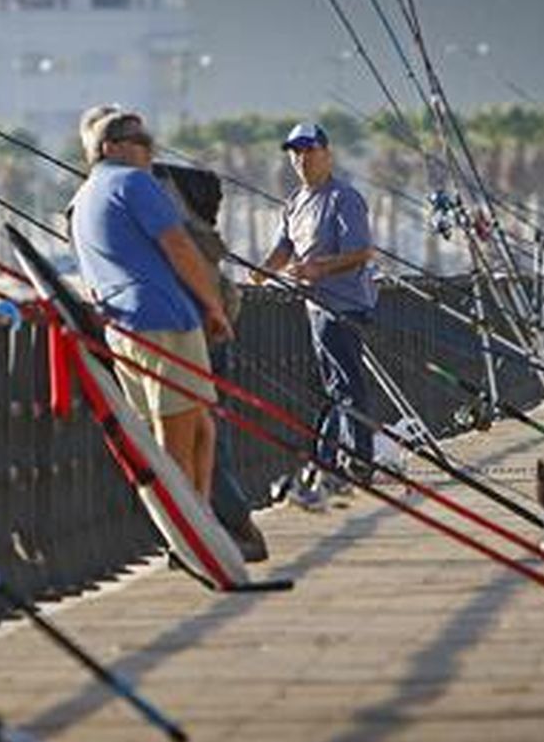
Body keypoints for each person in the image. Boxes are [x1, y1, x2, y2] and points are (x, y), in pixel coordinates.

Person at [70, 106, 234, 506]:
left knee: (197, 428)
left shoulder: (83, 198)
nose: (149, 151)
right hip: (164, 320)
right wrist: (214, 306)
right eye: (139, 142)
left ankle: (197, 516)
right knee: (177, 436)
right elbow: (178, 246)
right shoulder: (134, 183)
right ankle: (189, 528)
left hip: (123, 327)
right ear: (108, 147)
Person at [148, 157, 269, 562]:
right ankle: (223, 527)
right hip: (202, 327)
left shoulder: (147, 195)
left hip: (192, 332)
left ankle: (219, 527)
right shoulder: (174, 202)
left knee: (199, 434)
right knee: (209, 431)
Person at [254, 122, 377, 510]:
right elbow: (283, 248)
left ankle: (356, 461)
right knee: (334, 386)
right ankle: (331, 460)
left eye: (308, 150)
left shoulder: (345, 198)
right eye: (295, 151)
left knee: (346, 384)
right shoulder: (294, 202)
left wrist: (317, 270)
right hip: (314, 306)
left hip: (343, 306)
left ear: (326, 153)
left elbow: (360, 253)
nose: (301, 158)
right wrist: (259, 274)